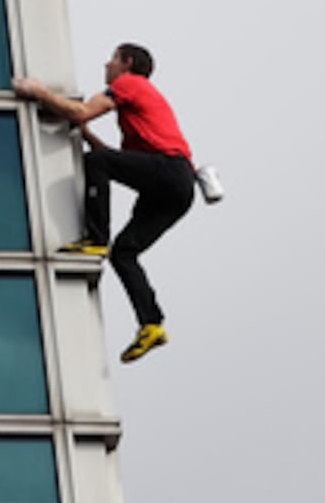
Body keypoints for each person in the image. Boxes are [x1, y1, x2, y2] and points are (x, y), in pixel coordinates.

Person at [13, 43, 195, 362]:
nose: (106, 65)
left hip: (169, 172)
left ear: (126, 63)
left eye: (112, 59)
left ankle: (95, 239)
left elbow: (83, 113)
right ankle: (151, 324)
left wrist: (39, 92)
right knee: (124, 253)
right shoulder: (139, 110)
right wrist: (83, 132)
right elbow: (115, 156)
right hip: (177, 188)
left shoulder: (128, 84)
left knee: (96, 163)